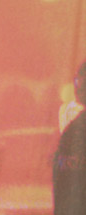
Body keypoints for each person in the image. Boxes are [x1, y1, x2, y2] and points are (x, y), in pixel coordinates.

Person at [53, 61, 86, 215]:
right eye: (77, 81)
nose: (77, 87)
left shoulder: (75, 131)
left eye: (80, 81)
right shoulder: (73, 131)